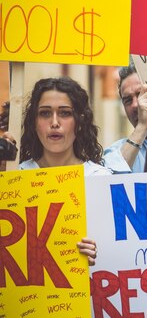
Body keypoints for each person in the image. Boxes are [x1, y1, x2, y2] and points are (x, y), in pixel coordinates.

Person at [17, 77, 106, 265]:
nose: (55, 122)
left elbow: (118, 250)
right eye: (45, 113)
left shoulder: (101, 180)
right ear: (34, 122)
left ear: (79, 122)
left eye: (65, 113)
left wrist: (100, 252)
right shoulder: (16, 177)